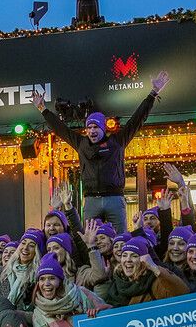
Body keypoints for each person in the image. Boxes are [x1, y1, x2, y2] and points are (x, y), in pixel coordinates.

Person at [33, 71, 171, 233]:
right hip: (91, 200)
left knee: (121, 238)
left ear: (103, 128)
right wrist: (43, 109)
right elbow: (60, 128)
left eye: (95, 127)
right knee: (89, 239)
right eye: (89, 127)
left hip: (114, 198)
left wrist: (153, 94)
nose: (92, 130)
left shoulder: (117, 142)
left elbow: (137, 120)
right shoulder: (81, 143)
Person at [105, 237, 189, 307]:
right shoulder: (116, 282)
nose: (128, 260)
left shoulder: (155, 282)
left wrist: (155, 268)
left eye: (134, 256)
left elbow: (183, 293)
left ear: (144, 261)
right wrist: (107, 309)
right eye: (124, 255)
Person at [0, 229, 45, 311]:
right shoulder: (5, 270)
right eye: (23, 243)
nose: (25, 248)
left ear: (37, 251)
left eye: (31, 245)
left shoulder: (38, 275)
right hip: (3, 318)